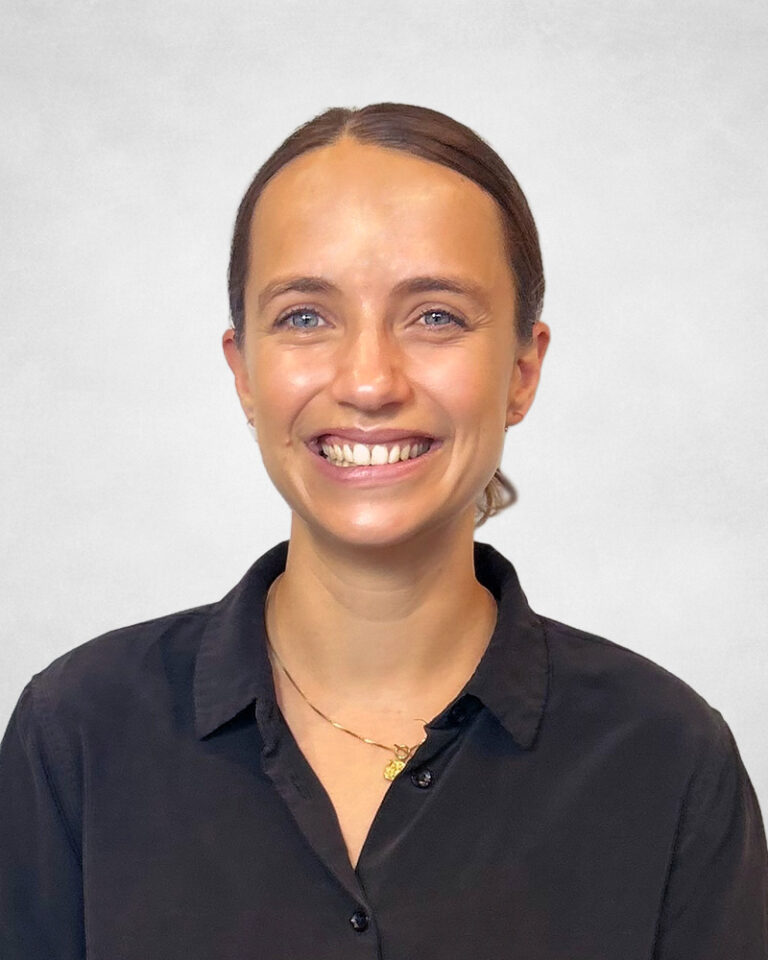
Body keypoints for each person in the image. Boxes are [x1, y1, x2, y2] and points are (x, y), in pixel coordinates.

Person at [0, 102, 765, 959]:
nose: (368, 381)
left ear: (522, 370)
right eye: (304, 316)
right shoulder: (76, 737)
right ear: (244, 371)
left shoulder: (666, 759)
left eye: (435, 315)